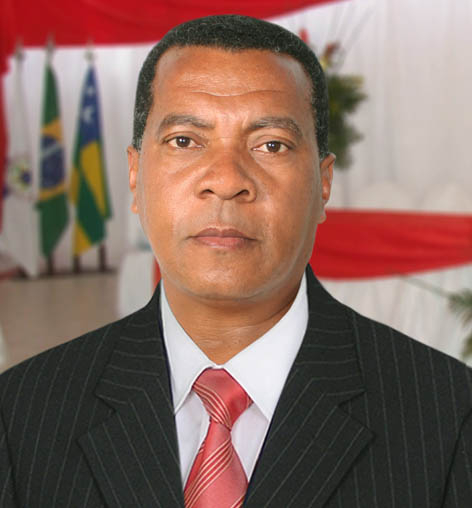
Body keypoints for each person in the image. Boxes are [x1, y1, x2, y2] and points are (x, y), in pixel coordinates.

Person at [1, 14, 471, 508]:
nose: (226, 181)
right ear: (135, 176)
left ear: (323, 183)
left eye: (271, 145)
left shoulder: (448, 415)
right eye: (185, 141)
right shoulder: (22, 414)